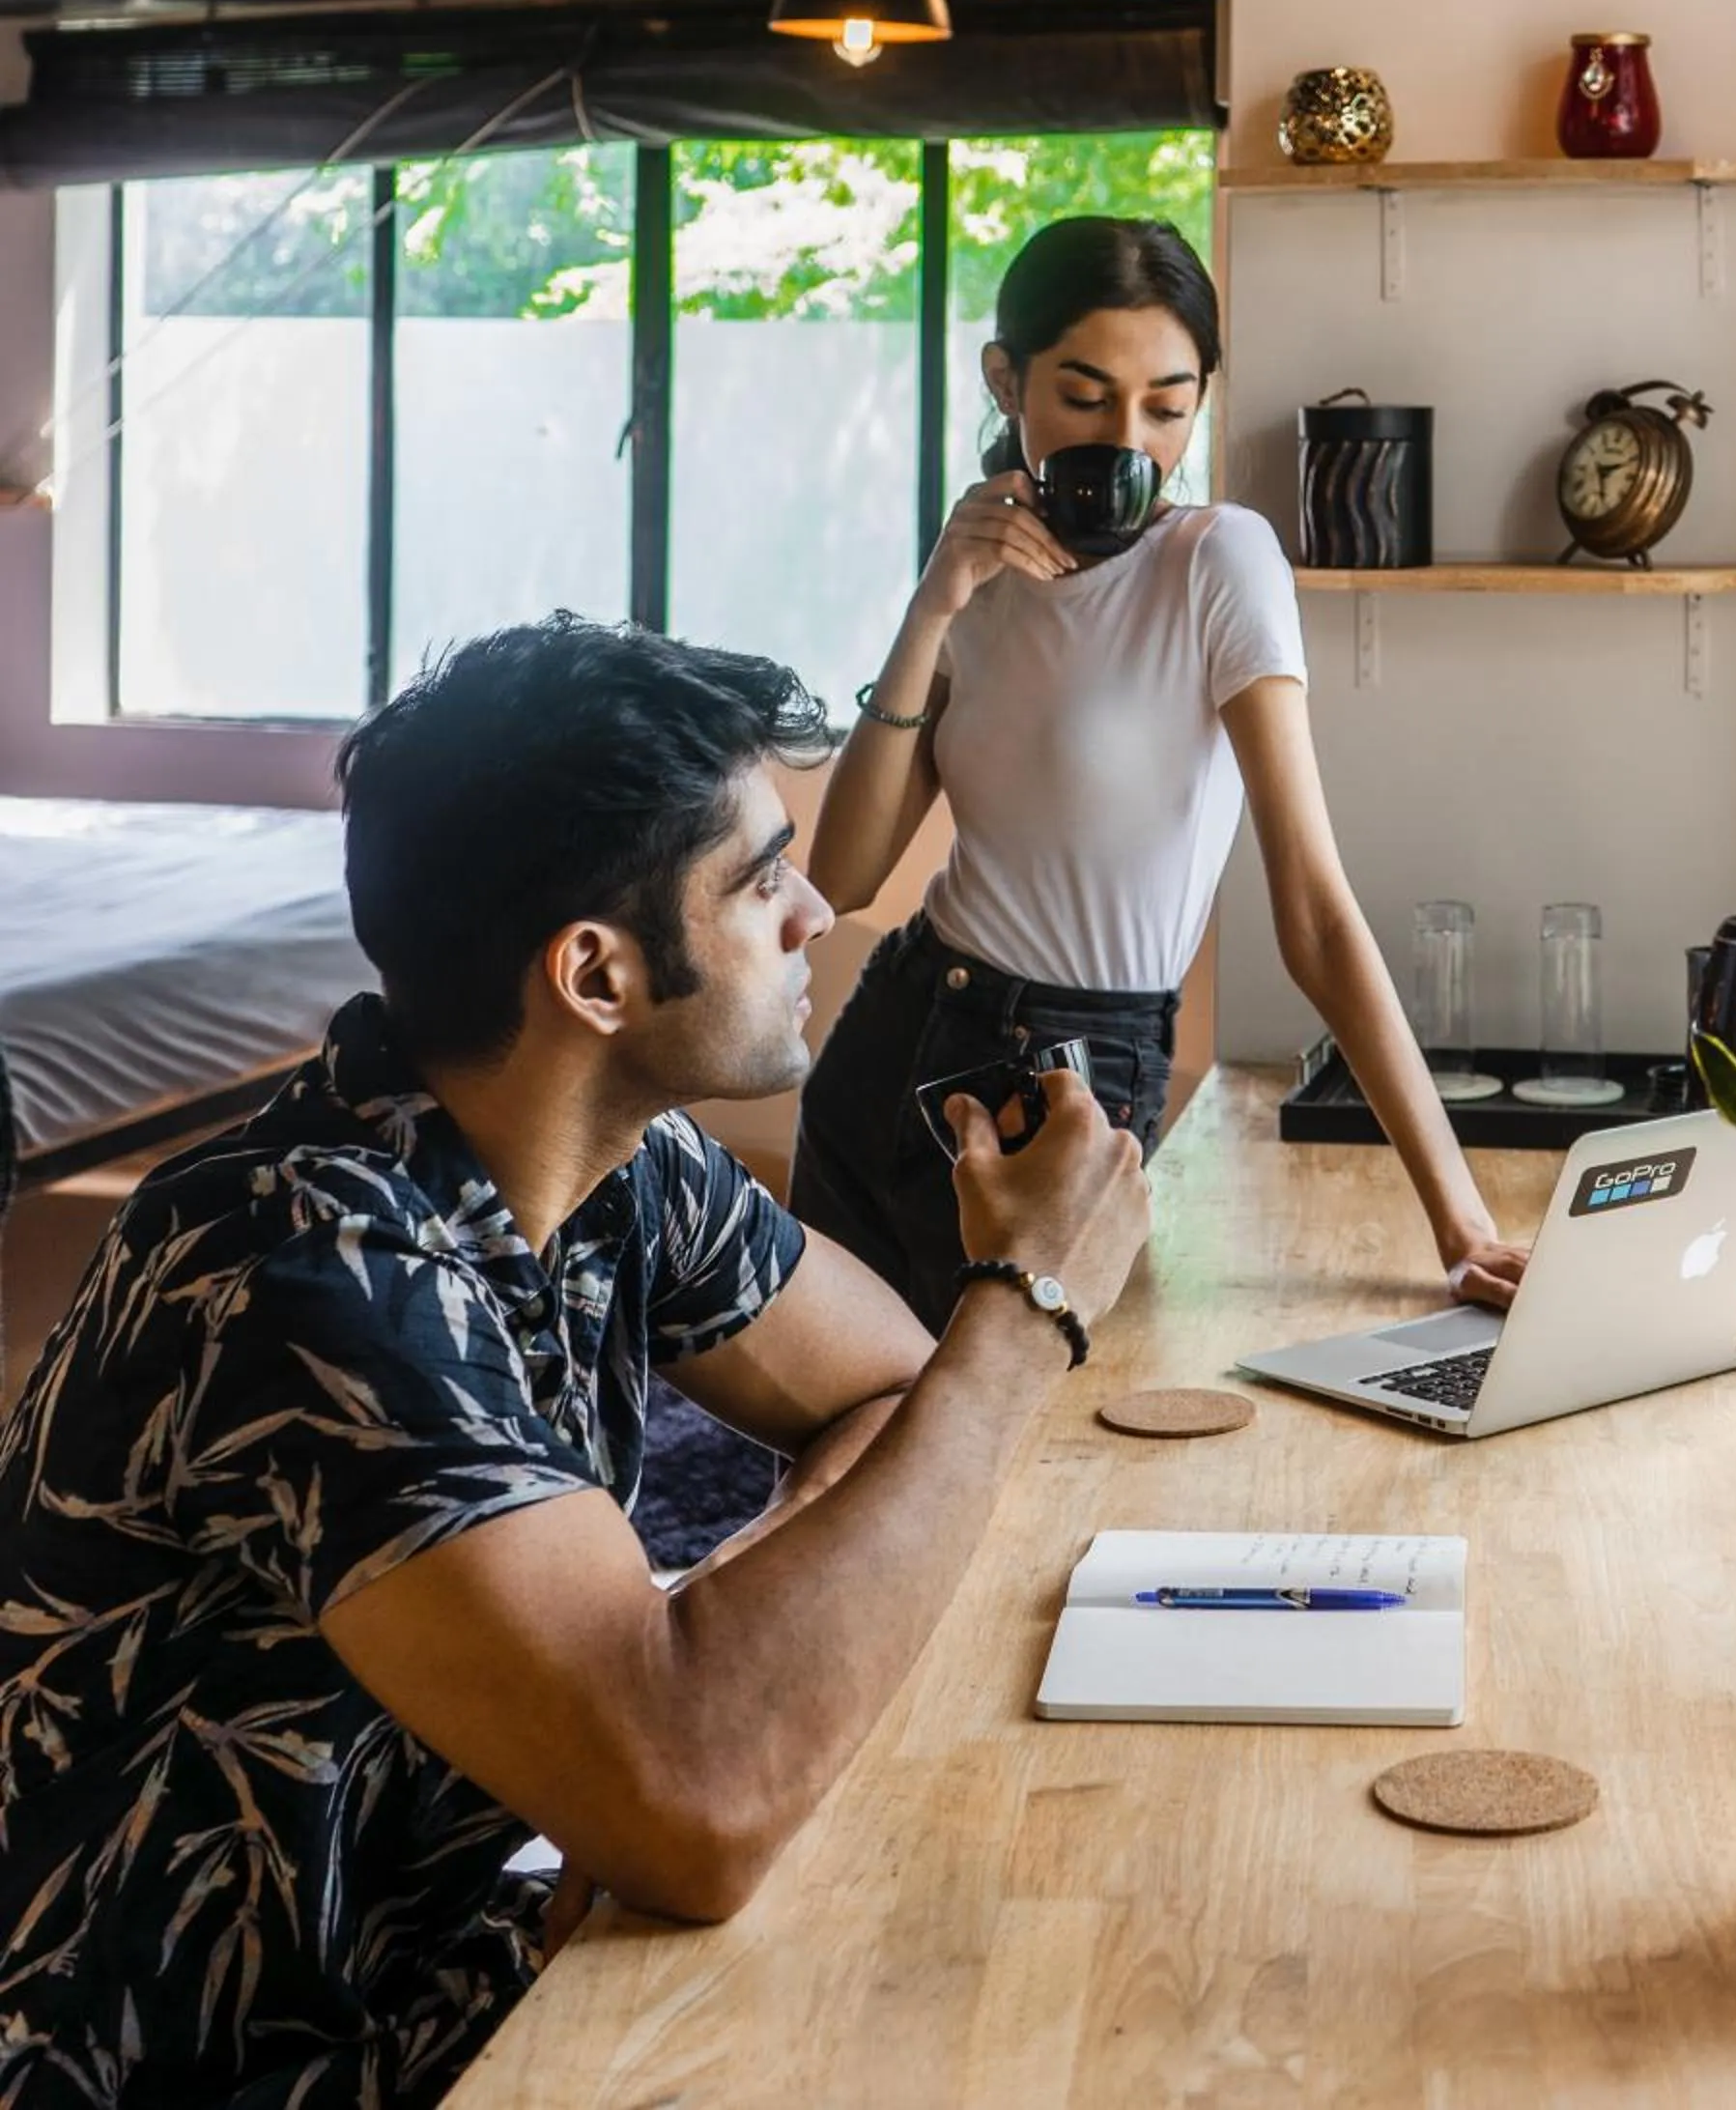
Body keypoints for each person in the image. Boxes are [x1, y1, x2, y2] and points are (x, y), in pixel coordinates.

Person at [0, 617, 1150, 2109]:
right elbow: (704, 1808)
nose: (816, 913)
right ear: (596, 976)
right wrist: (1028, 1300)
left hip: (456, 1957)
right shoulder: (307, 1277)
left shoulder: (625, 1162)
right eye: (759, 879)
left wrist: (715, 1653)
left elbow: (889, 1388)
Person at [791, 214, 1528, 1337]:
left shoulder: (1218, 562)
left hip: (1069, 1079)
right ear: (1008, 381)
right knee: (840, 1445)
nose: (1126, 435)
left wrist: (1461, 1222)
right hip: (897, 1031)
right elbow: (841, 877)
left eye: (1167, 406)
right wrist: (929, 605)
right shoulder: (973, 579)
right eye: (1084, 399)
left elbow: (1315, 910)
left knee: (1014, 1439)